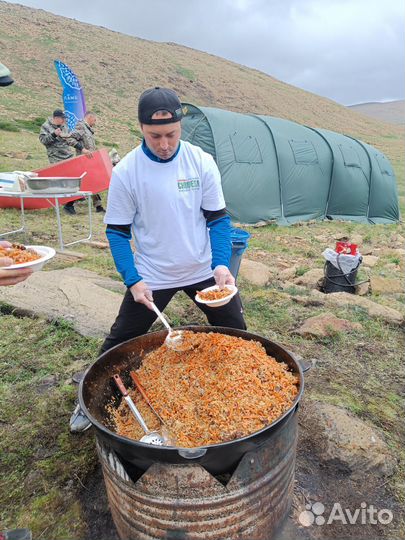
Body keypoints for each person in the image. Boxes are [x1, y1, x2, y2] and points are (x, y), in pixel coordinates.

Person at [69, 86, 247, 432]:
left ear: (181, 128)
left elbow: (218, 220)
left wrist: (221, 263)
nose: (164, 144)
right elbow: (117, 233)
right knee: (119, 341)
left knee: (236, 332)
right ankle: (86, 402)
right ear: (141, 129)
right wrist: (132, 279)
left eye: (171, 135)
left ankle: (245, 388)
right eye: (155, 136)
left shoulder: (200, 161)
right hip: (153, 276)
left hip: (203, 270)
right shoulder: (128, 172)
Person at [39, 109, 89, 215]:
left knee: (77, 177)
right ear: (56, 118)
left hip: (68, 156)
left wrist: (82, 148)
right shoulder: (45, 126)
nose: (64, 121)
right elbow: (43, 141)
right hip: (56, 158)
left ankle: (71, 201)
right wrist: (53, 134)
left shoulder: (64, 126)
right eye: (62, 119)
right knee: (62, 182)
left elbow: (69, 139)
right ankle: (67, 204)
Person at [67, 111, 106, 213]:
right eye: (94, 119)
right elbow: (69, 139)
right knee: (83, 183)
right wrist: (83, 149)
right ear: (89, 117)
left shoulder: (88, 129)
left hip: (90, 161)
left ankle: (98, 206)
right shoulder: (81, 126)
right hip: (83, 161)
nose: (95, 122)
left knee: (92, 182)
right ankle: (69, 204)